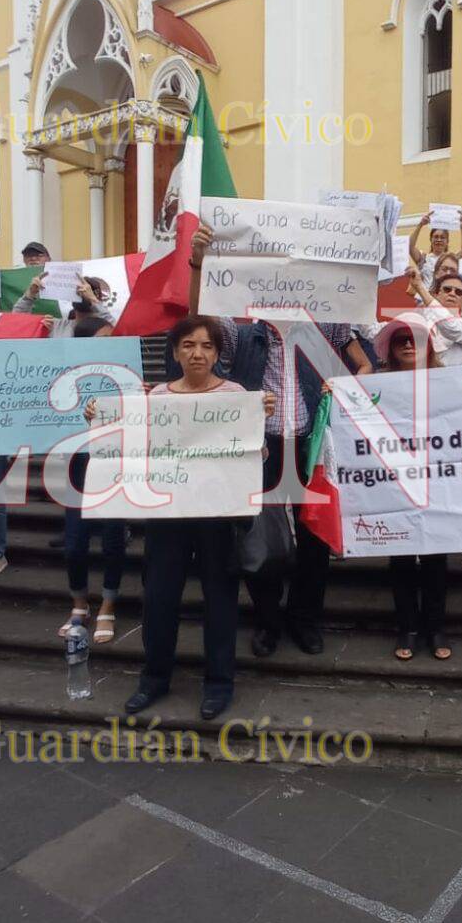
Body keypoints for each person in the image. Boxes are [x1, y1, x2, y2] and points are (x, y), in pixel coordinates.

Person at [186, 223, 372, 657]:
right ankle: (268, 621)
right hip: (262, 450)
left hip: (309, 447)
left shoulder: (328, 325)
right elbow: (199, 314)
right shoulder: (242, 332)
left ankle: (306, 621)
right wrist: (199, 262)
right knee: (260, 541)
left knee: (315, 541)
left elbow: (363, 366)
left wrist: (344, 387)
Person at [109, 315, 276, 719]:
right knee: (160, 598)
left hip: (218, 517)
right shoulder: (157, 398)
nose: (196, 353)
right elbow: (133, 450)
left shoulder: (236, 394)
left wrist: (259, 424)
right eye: (188, 345)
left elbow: (258, 460)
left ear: (218, 353)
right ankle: (154, 678)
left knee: (220, 600)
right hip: (168, 515)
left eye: (205, 346)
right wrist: (103, 419)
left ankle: (219, 683)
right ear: (175, 352)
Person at [372, 318, 453, 661]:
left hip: (438, 478)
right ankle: (406, 627)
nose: (407, 344)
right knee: (401, 555)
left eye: (415, 339)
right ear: (390, 349)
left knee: (436, 557)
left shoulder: (450, 383)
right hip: (393, 482)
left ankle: (435, 628)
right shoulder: (375, 385)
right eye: (400, 340)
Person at [58, 313, 126, 645]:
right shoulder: (64, 377)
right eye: (103, 340)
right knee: (74, 545)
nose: (110, 346)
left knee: (113, 540)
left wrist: (139, 398)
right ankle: (79, 604)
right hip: (77, 470)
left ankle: (109, 604)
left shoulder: (125, 376)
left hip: (113, 469)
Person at [407, 268, 462, 366]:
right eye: (447, 289)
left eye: (458, 292)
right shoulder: (423, 323)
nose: (452, 293)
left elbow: (450, 327)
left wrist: (420, 288)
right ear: (436, 295)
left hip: (454, 380)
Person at [408, 208, 462, 283]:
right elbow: (410, 246)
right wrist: (421, 224)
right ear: (431, 239)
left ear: (447, 242)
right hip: (424, 294)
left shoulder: (451, 259)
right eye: (436, 237)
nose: (439, 240)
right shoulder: (423, 258)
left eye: (442, 237)